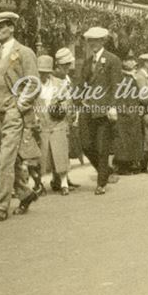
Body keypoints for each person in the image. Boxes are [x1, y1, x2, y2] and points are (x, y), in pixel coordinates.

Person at [0, 11, 40, 221]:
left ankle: (0, 206)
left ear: (12, 28)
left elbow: (33, 82)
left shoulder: (24, 52)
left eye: (1, 26)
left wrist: (20, 104)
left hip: (12, 111)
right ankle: (25, 193)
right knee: (2, 158)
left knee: (5, 159)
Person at [77, 27, 120, 195]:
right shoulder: (88, 62)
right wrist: (79, 98)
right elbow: (82, 83)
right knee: (86, 145)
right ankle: (106, 170)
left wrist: (113, 106)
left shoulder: (112, 60)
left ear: (103, 41)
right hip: (88, 109)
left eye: (96, 41)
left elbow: (117, 86)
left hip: (104, 109)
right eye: (90, 41)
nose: (93, 44)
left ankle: (101, 182)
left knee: (102, 147)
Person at [35, 55, 71, 195]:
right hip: (42, 123)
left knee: (60, 153)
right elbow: (30, 103)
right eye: (40, 72)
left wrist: (60, 108)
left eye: (45, 72)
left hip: (57, 122)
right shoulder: (33, 85)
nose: (43, 75)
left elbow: (68, 101)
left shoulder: (59, 84)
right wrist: (35, 117)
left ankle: (64, 183)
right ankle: (40, 183)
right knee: (42, 156)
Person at [112, 54, 148, 175]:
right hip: (126, 113)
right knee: (124, 140)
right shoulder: (125, 79)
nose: (134, 67)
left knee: (129, 140)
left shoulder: (129, 78)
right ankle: (123, 166)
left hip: (131, 112)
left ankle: (128, 164)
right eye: (131, 63)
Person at [53, 47, 81, 191]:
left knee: (67, 148)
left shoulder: (68, 77)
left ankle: (64, 178)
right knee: (59, 149)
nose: (68, 67)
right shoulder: (55, 78)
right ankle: (58, 179)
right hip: (58, 116)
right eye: (65, 64)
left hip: (68, 115)